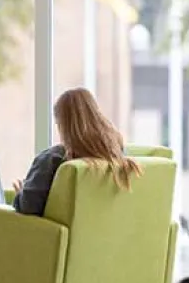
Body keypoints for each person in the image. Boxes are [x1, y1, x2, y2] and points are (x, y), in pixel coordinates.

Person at [12, 87, 142, 216]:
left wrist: (20, 195)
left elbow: (29, 207)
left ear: (61, 123)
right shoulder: (117, 155)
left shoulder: (52, 158)